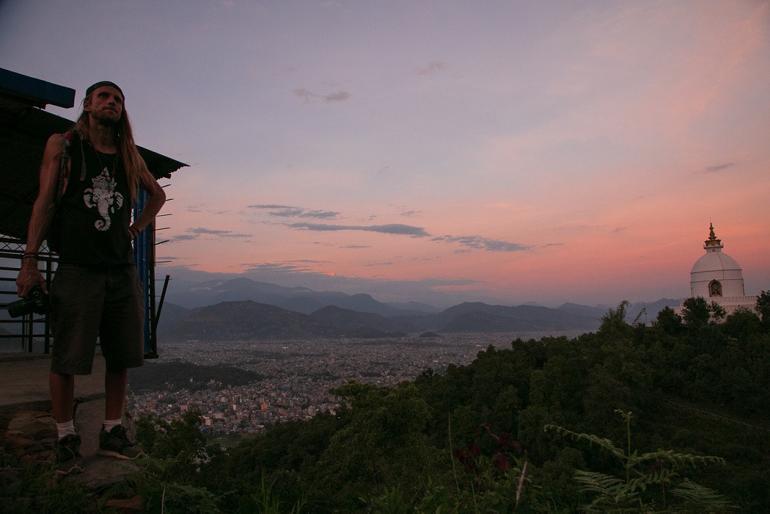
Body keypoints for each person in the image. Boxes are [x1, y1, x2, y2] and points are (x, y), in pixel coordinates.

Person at [16, 81, 166, 472]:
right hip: (78, 266)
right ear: (86, 104)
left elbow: (157, 195)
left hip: (119, 268)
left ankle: (112, 429)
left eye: (117, 99)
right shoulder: (64, 145)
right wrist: (29, 261)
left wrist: (135, 229)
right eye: (104, 96)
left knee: (121, 355)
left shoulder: (128, 155)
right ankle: (65, 434)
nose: (111, 103)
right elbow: (45, 201)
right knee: (67, 356)